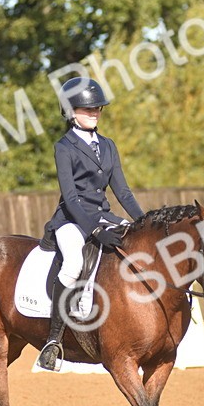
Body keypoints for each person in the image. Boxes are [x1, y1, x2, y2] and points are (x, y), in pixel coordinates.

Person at [36, 77, 145, 371]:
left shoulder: (108, 146)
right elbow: (71, 198)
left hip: (104, 216)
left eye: (97, 108)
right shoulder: (64, 147)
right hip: (72, 219)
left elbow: (123, 192)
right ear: (71, 111)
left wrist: (143, 222)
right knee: (73, 264)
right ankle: (53, 341)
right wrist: (95, 230)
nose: (95, 112)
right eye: (88, 109)